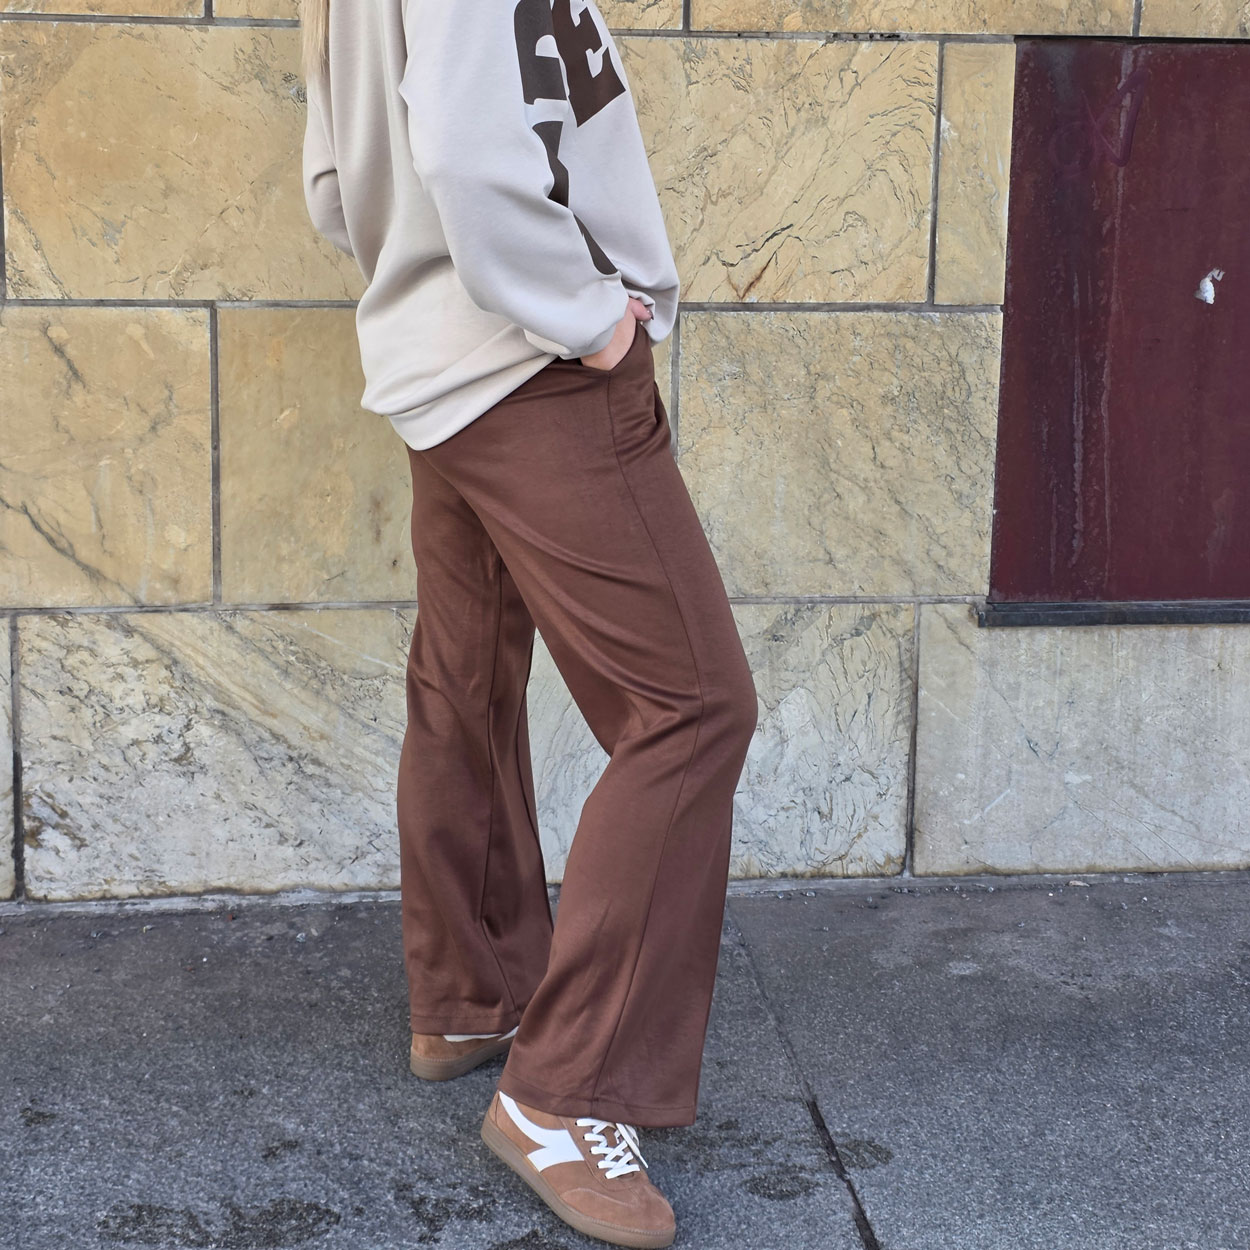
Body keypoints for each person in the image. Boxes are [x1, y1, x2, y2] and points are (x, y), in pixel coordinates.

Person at [300, 1, 759, 1244]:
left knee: (464, 674)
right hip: (534, 366)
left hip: (439, 367)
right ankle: (564, 1093)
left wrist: (429, 292)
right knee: (691, 707)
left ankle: (471, 991)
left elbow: (335, 184)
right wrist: (589, 319)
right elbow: (466, 152)